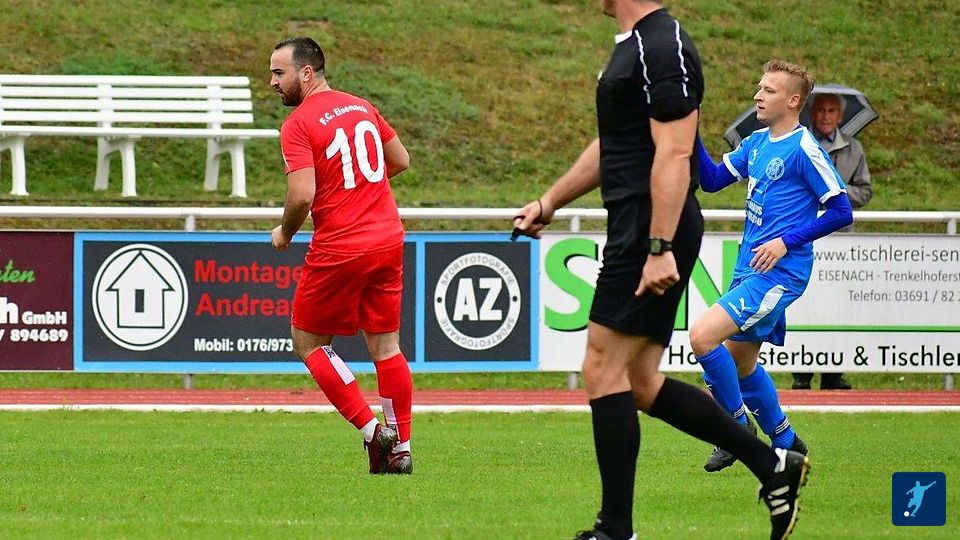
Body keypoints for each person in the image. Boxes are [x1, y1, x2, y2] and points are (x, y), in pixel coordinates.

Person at [512, 4, 810, 539]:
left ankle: (615, 530)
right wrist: (550, 200)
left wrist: (658, 246)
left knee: (602, 367)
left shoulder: (662, 44)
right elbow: (615, 145)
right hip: (640, 225)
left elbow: (675, 154)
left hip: (650, 227)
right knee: (640, 382)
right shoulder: (634, 46)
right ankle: (772, 466)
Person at [691, 60, 853, 474]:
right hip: (749, 267)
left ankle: (734, 430)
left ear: (793, 100)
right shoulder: (757, 142)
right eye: (759, 88)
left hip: (780, 273)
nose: (757, 96)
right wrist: (689, 126)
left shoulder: (805, 150)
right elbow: (711, 180)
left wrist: (785, 241)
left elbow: (841, 211)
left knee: (703, 337)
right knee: (742, 365)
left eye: (768, 90)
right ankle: (786, 442)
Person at [269, 37, 413, 475]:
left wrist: (285, 232)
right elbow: (400, 159)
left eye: (279, 72)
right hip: (387, 238)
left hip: (341, 245)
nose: (273, 82)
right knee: (386, 346)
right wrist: (359, 189)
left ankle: (372, 430)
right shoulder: (361, 107)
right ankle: (402, 447)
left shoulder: (298, 123)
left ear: (306, 72)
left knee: (309, 342)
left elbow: (302, 194)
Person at [791, 91, 872, 390]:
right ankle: (801, 372)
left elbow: (864, 192)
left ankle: (833, 372)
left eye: (831, 111)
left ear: (840, 116)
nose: (825, 116)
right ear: (813, 114)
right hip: (807, 233)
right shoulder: (800, 144)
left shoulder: (854, 148)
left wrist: (834, 189)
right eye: (821, 110)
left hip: (841, 241)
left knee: (836, 305)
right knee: (804, 303)